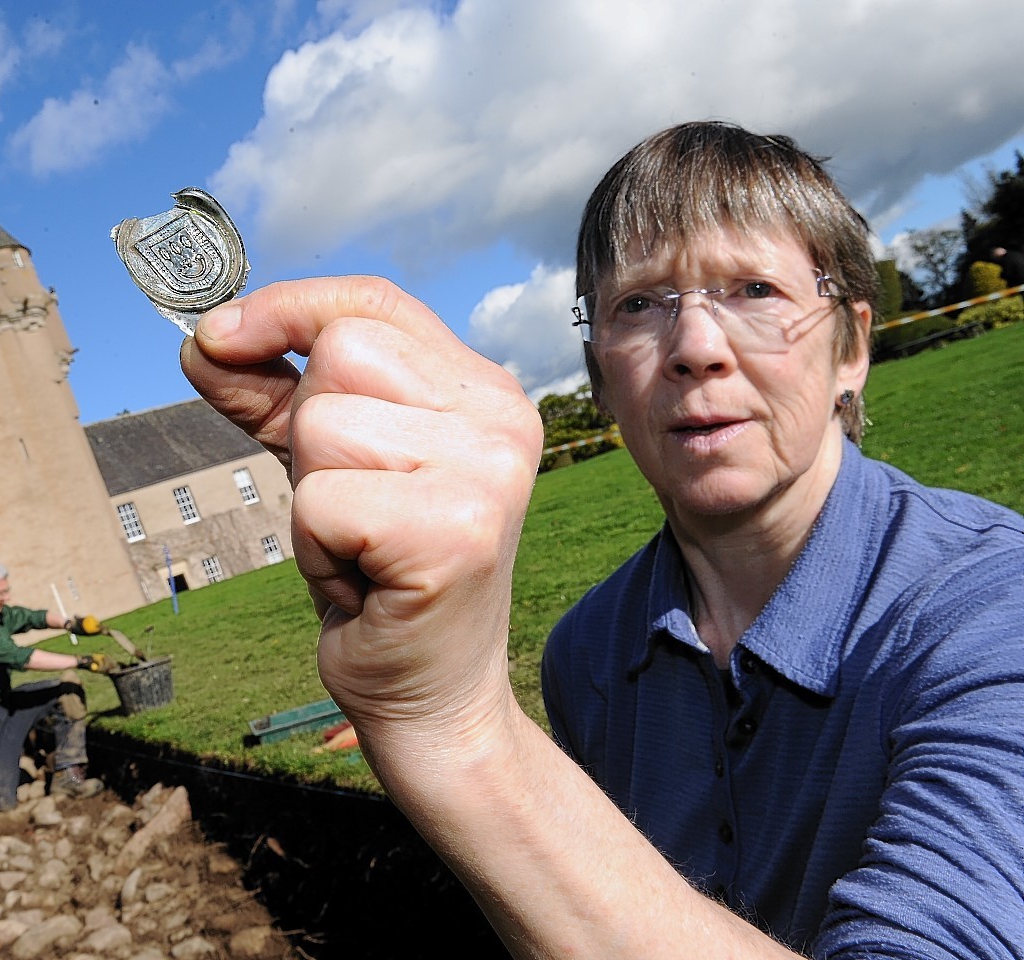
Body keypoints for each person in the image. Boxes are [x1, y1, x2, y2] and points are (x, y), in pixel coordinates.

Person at [179, 121, 1024, 958]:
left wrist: (459, 730)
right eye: (639, 304)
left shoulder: (994, 603)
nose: (695, 346)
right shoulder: (584, 653)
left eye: (754, 292)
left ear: (851, 347)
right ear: (600, 377)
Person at [0, 561, 113, 812]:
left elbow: (34, 618)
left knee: (67, 689)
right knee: (0, 805)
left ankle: (68, 777)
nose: (7, 597)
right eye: (2, 593)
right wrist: (82, 661)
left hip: (5, 706)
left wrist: (71, 624)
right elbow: (24, 658)